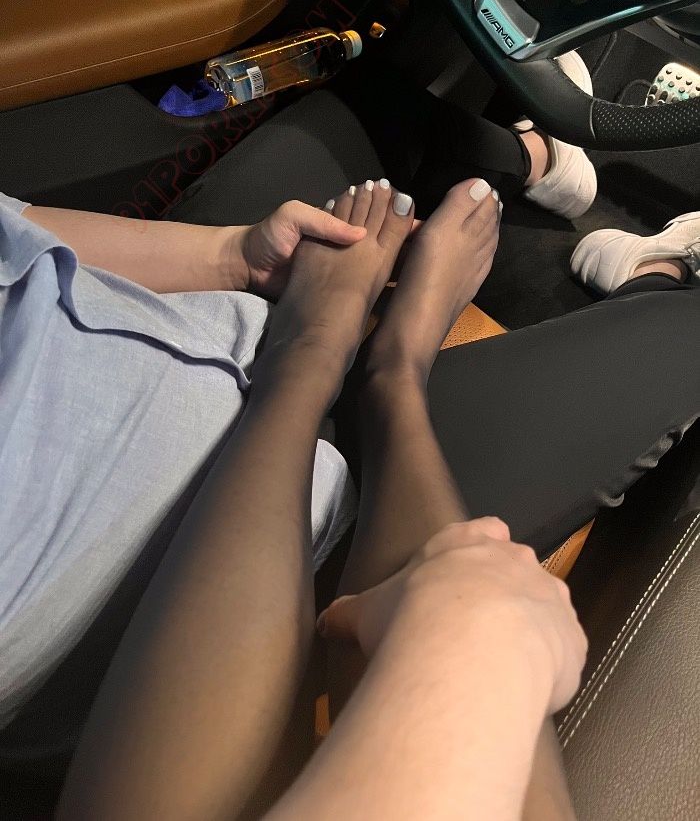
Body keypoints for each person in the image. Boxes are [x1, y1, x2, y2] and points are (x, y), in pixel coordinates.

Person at [50, 177, 700, 820]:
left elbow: (13, 231)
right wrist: (477, 649)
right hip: (249, 586)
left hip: (218, 350)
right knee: (686, 336)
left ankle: (342, 354)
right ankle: (392, 368)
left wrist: (229, 254)